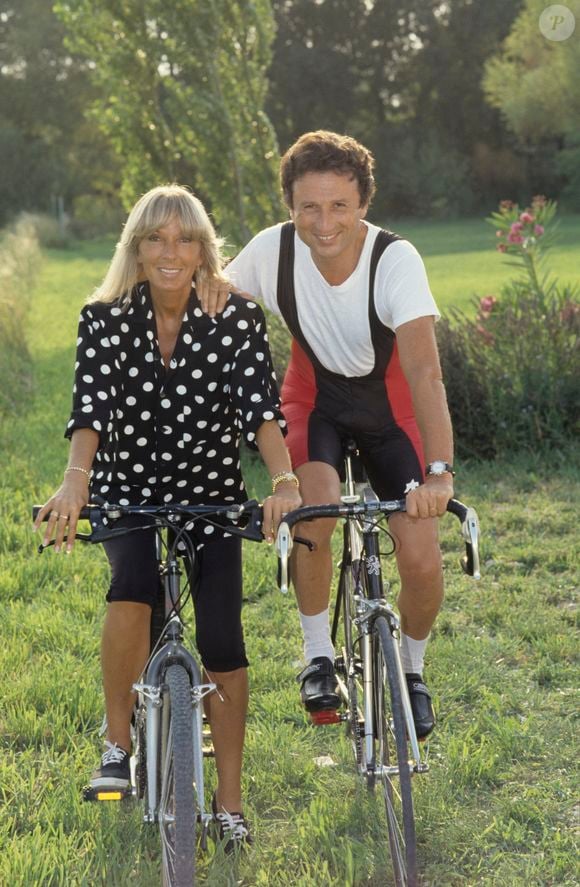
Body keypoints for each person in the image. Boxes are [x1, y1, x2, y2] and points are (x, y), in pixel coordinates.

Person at [34, 184, 301, 850]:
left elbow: (259, 412)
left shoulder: (234, 316)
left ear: (203, 249)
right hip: (130, 493)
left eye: (185, 239)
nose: (170, 252)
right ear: (137, 248)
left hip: (212, 494)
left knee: (224, 640)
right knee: (131, 586)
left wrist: (287, 481)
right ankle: (117, 746)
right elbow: (89, 411)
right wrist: (75, 485)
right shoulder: (103, 319)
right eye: (155, 238)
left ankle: (230, 802)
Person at [198, 130, 455, 740]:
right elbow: (211, 301)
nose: (324, 221)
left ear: (363, 203)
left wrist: (440, 473)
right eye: (308, 206)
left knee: (419, 558)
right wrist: (205, 287)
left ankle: (412, 673)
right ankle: (318, 656)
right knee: (313, 515)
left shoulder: (395, 260)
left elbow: (424, 372)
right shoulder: (271, 251)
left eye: (339, 204)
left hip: (392, 413)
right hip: (314, 402)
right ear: (289, 205)